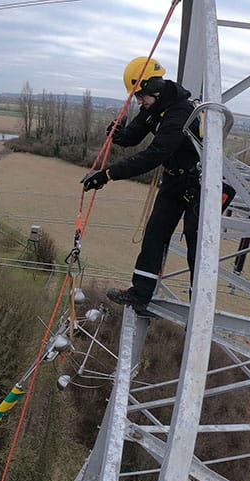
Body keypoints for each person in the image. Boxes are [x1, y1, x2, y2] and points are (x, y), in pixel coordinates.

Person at [81, 56, 201, 317]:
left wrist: (108, 174)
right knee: (155, 234)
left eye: (142, 96)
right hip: (174, 179)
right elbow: (132, 137)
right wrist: (117, 133)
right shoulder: (154, 107)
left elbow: (153, 155)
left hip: (198, 184)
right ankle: (140, 293)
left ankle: (199, 305)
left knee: (197, 246)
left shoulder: (180, 112)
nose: (139, 102)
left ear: (155, 89)